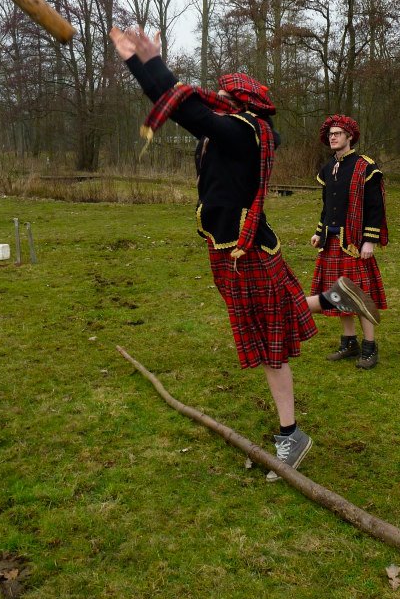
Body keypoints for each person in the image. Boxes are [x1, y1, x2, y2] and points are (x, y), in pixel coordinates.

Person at [110, 26, 331, 481]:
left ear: (243, 103)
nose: (218, 98)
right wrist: (143, 63)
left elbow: (187, 110)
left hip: (247, 251)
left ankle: (292, 436)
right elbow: (181, 103)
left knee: (271, 345)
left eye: (226, 95)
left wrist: (145, 64)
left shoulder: (244, 133)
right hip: (230, 249)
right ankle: (332, 299)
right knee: (263, 324)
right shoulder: (228, 131)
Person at [306, 115, 388, 369]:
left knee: (360, 296)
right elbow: (326, 207)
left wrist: (369, 241)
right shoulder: (328, 168)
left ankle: (369, 347)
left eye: (338, 133)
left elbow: (376, 208)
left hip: (354, 242)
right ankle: (349, 342)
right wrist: (320, 232)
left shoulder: (365, 167)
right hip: (332, 242)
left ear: (349, 136)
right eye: (331, 134)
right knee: (338, 295)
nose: (333, 137)